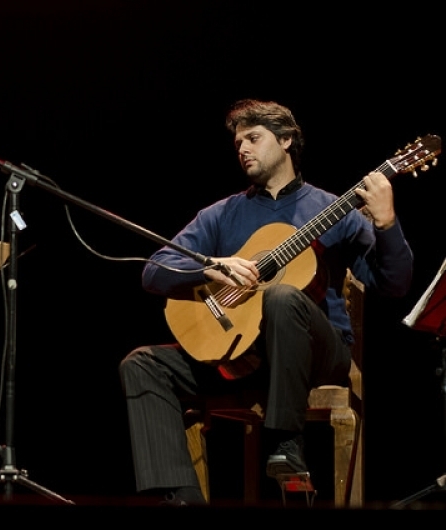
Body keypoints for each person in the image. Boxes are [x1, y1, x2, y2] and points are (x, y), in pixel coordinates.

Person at [119, 98, 414, 506]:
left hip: (318, 355)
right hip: (242, 357)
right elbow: (153, 271)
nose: (242, 149)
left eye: (254, 138)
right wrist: (211, 268)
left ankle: (286, 447)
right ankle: (182, 497)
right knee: (142, 363)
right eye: (238, 142)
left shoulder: (333, 209)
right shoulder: (221, 214)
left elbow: (394, 285)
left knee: (280, 294)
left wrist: (385, 222)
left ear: (287, 140)